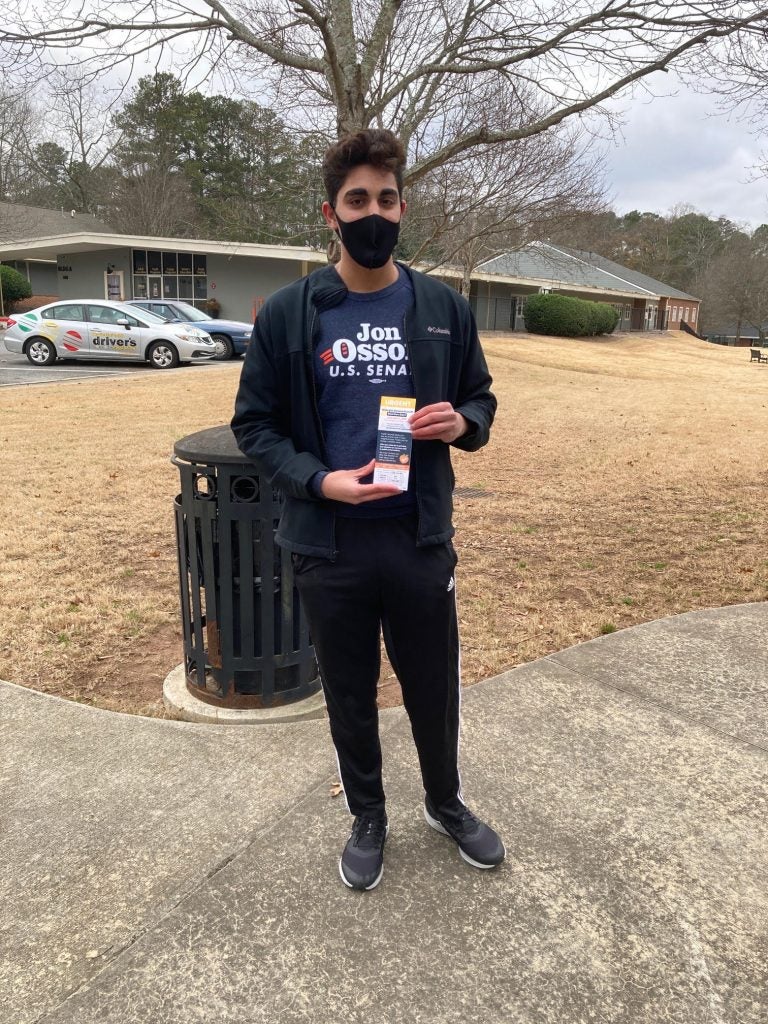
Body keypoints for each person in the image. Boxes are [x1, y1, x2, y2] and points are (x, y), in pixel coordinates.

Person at [231, 129, 504, 891]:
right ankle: (368, 813)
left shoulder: (443, 305)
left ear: (402, 206)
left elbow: (480, 395)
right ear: (331, 213)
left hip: (418, 539)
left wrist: (464, 423)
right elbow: (255, 425)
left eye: (386, 198)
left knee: (432, 686)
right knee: (349, 691)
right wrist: (320, 483)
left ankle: (445, 804)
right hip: (331, 544)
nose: (374, 212)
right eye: (358, 200)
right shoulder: (291, 314)